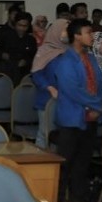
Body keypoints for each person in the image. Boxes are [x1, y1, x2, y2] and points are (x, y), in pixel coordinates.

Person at [55, 19, 102, 202]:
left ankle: (80, 194)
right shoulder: (65, 60)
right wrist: (96, 106)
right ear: (76, 36)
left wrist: (96, 105)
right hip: (72, 118)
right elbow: (72, 89)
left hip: (90, 117)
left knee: (83, 160)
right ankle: (57, 200)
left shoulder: (90, 57)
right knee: (65, 162)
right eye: (87, 33)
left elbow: (99, 84)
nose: (91, 36)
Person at [31, 19, 68, 149]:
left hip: (65, 100)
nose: (67, 33)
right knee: (44, 133)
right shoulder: (44, 50)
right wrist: (49, 87)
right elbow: (36, 74)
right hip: (47, 98)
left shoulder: (69, 51)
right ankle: (38, 165)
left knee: (60, 136)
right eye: (65, 30)